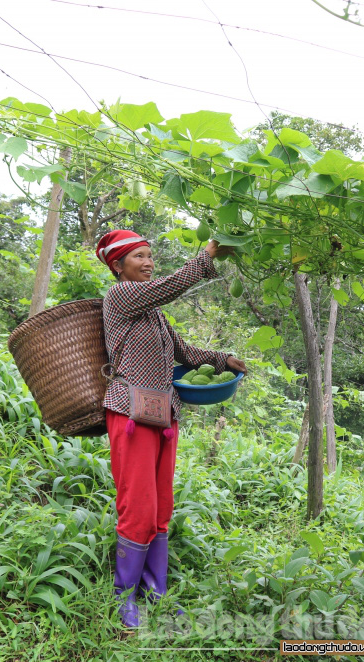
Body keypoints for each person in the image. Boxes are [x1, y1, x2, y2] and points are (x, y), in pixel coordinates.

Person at [95, 229, 247, 629]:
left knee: (161, 505)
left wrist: (222, 358)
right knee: (138, 505)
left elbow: (183, 352)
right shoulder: (121, 297)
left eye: (149, 255)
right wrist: (206, 257)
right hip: (130, 414)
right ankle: (124, 597)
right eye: (138, 257)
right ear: (117, 265)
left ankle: (154, 592)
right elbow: (170, 286)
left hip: (162, 415)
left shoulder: (153, 313)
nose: (148, 262)